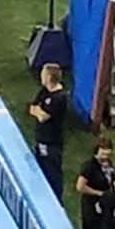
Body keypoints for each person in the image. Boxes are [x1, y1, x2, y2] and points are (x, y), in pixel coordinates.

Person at [29, 62, 69, 194]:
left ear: (49, 77)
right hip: (41, 139)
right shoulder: (44, 91)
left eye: (43, 74)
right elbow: (32, 108)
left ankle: (57, 200)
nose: (41, 76)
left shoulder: (59, 97)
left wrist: (38, 111)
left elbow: (43, 117)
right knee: (40, 170)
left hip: (51, 142)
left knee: (53, 173)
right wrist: (38, 111)